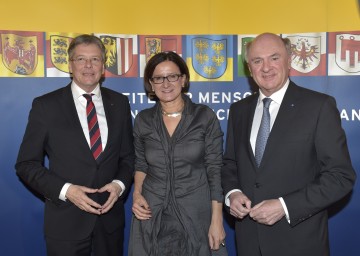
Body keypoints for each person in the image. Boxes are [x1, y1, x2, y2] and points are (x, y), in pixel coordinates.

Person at [221, 32, 356, 256]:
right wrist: (232, 193)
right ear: (249, 67)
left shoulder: (318, 107)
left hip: (300, 243)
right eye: (257, 61)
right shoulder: (239, 111)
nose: (266, 67)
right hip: (249, 244)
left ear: (289, 59)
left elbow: (340, 176)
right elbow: (230, 164)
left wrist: (285, 206)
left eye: (274, 57)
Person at [15, 34, 134, 256]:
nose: (88, 66)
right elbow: (26, 164)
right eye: (81, 59)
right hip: (65, 223)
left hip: (109, 225)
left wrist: (119, 185)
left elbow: (128, 157)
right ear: (70, 65)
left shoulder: (119, 103)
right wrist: (67, 191)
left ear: (103, 66)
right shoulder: (45, 106)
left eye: (95, 59)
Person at [128, 51, 226, 256]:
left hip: (196, 213)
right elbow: (141, 164)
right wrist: (137, 195)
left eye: (172, 76)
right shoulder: (143, 120)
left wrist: (216, 220)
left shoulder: (204, 116)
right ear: (151, 84)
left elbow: (215, 170)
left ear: (183, 79)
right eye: (158, 78)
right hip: (152, 213)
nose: (166, 83)